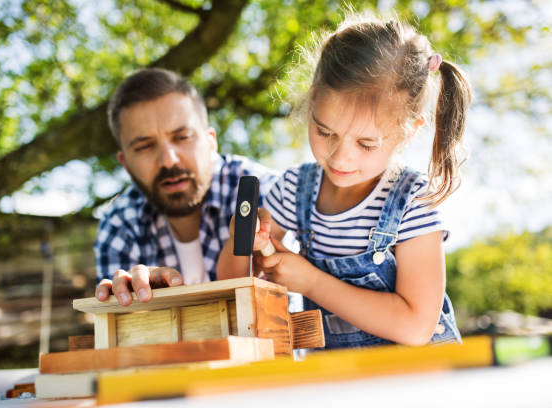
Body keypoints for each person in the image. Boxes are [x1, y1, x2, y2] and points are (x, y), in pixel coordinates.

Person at [217, 15, 471, 348]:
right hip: (340, 379)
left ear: (409, 130)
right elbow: (231, 284)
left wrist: (311, 283)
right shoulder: (294, 189)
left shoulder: (412, 200)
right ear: (312, 102)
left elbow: (415, 327)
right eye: (324, 132)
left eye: (366, 144)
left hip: (416, 378)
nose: (340, 157)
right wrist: (244, 236)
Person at [94, 68, 277, 306]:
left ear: (211, 141)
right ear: (125, 163)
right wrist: (144, 305)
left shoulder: (266, 193)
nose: (169, 160)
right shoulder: (119, 226)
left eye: (182, 137)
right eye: (145, 146)